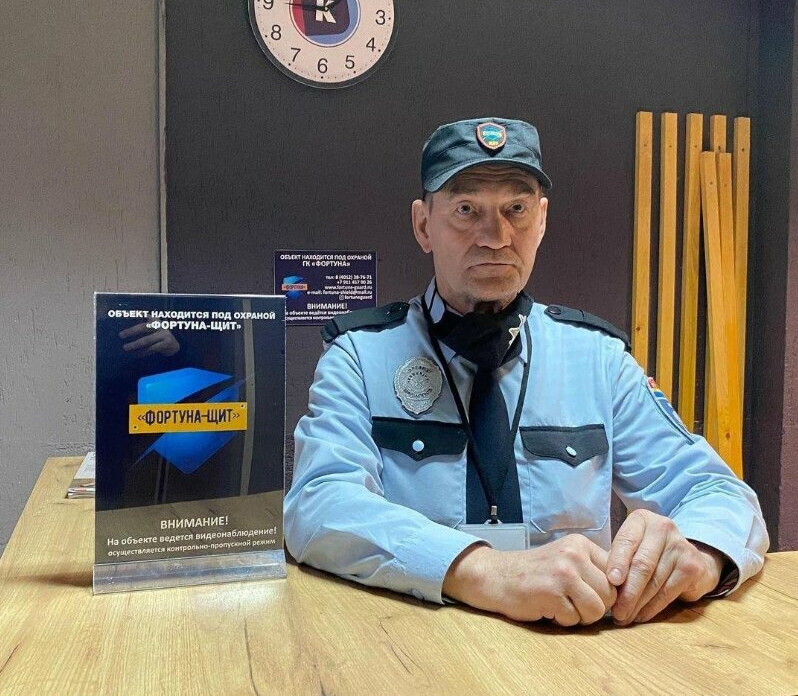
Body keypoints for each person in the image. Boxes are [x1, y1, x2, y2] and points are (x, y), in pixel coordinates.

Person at [284, 117, 769, 627]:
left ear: (541, 221)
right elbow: (318, 504)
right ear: (424, 225)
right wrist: (484, 572)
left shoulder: (599, 359)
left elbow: (718, 492)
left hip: (572, 648)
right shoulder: (360, 356)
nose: (496, 237)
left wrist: (698, 555)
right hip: (415, 641)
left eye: (516, 209)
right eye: (467, 210)